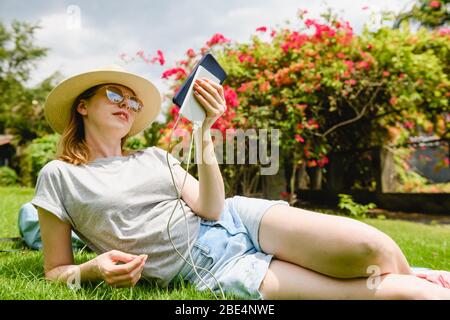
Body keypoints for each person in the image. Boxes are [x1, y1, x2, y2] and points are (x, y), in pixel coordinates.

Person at [31, 65, 450, 300]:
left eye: (133, 100)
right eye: (116, 96)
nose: (129, 105)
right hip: (212, 267)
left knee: (372, 248)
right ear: (82, 106)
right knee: (396, 294)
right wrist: (90, 270)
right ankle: (420, 282)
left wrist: (205, 132)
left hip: (242, 220)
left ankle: (415, 271)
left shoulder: (155, 157)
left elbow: (212, 208)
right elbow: (54, 272)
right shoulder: (60, 176)